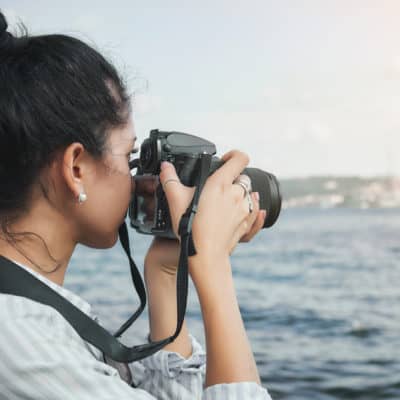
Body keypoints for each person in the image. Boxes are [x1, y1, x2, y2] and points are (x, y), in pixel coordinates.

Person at [0, 11, 272, 400]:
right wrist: (211, 265)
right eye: (129, 155)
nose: (137, 179)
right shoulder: (20, 340)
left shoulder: (29, 316)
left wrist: (164, 272)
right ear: (76, 167)